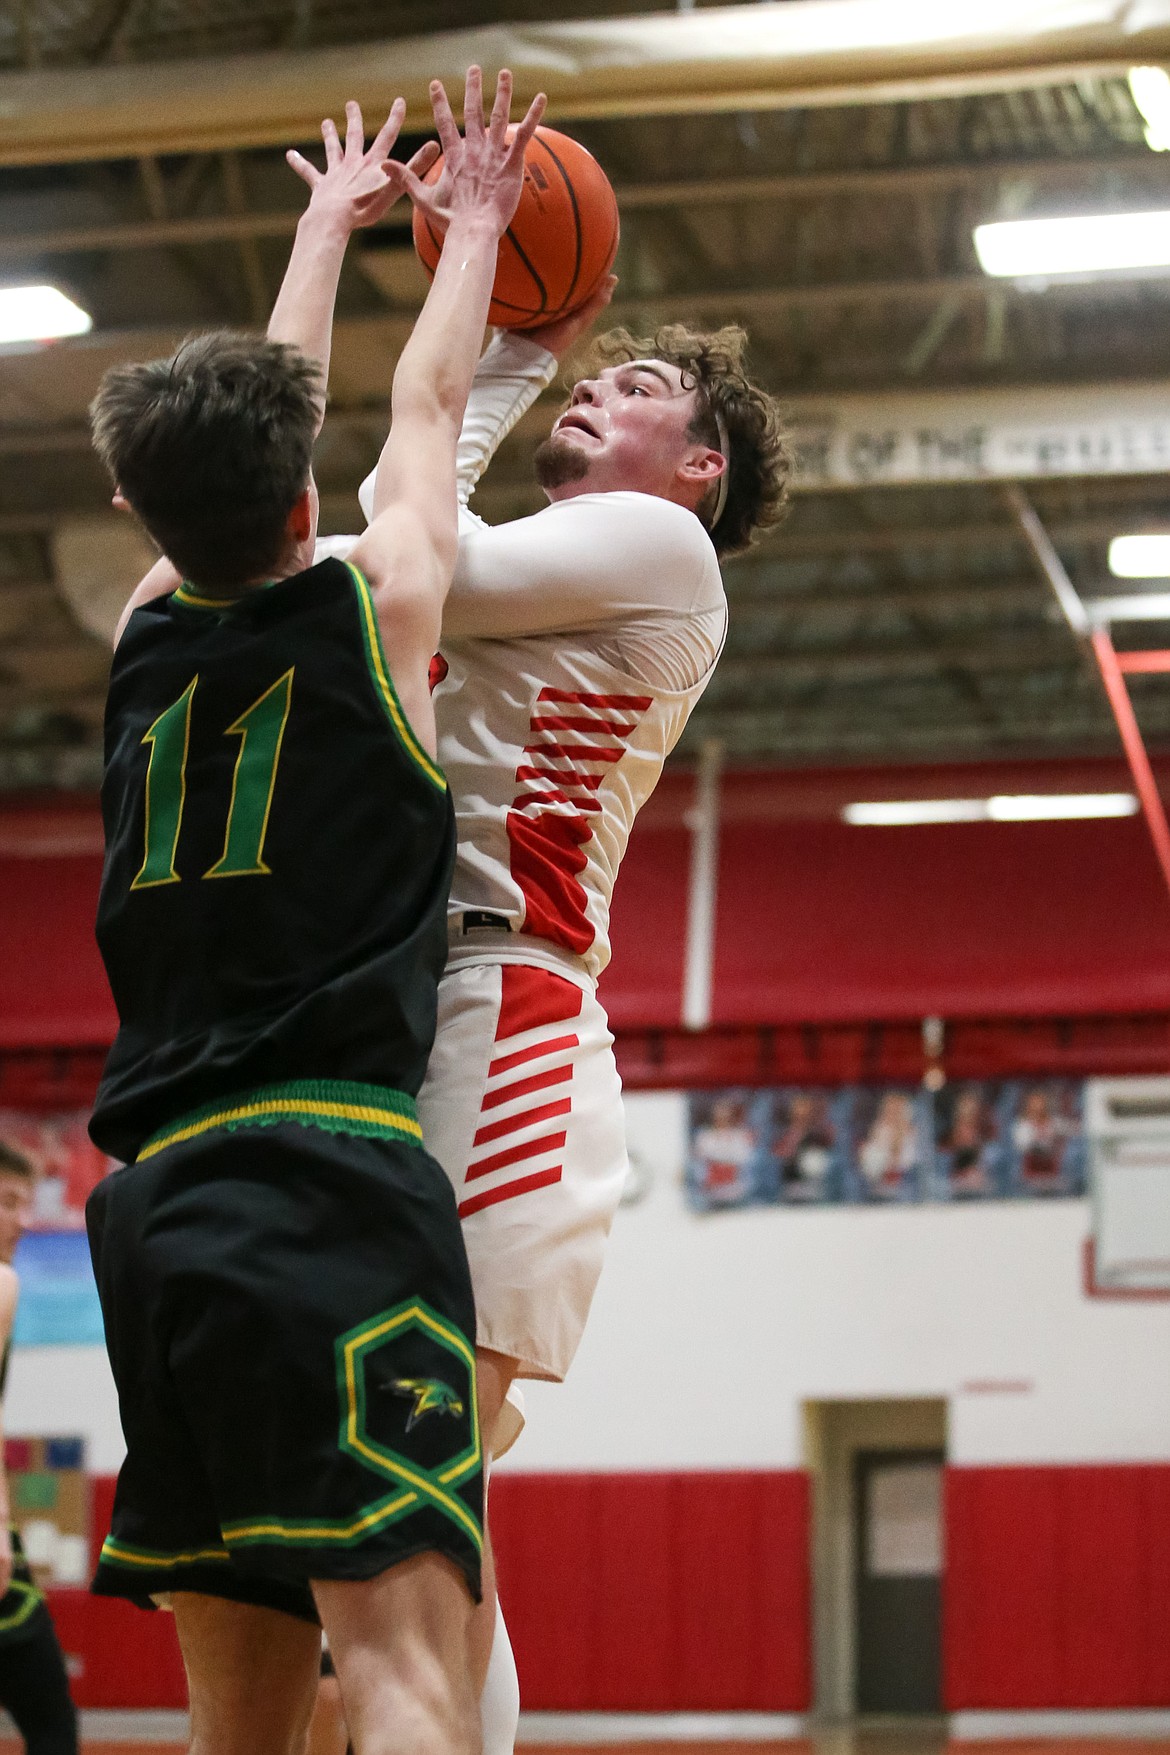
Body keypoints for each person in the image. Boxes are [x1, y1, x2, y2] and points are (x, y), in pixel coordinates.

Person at [83, 69, 543, 1755]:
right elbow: (424, 417)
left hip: (155, 1212)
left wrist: (317, 231)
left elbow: (301, 429)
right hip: (329, 1178)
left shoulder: (141, 635)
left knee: (246, 1727)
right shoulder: (379, 601)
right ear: (302, 504)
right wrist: (470, 231)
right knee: (408, 1672)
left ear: (140, 512)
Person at [325, 259, 793, 1746]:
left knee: (412, 1466)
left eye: (637, 387)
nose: (603, 384)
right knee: (399, 1479)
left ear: (697, 467)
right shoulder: (563, 556)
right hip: (424, 1000)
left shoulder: (661, 542)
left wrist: (510, 349)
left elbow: (419, 548)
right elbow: (373, 565)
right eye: (599, 372)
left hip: (506, 1010)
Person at [0, 1143, 78, 1755]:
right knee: (52, 1727)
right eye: (7, 1203)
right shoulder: (1, 1284)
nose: (23, 1220)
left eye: (26, 1204)